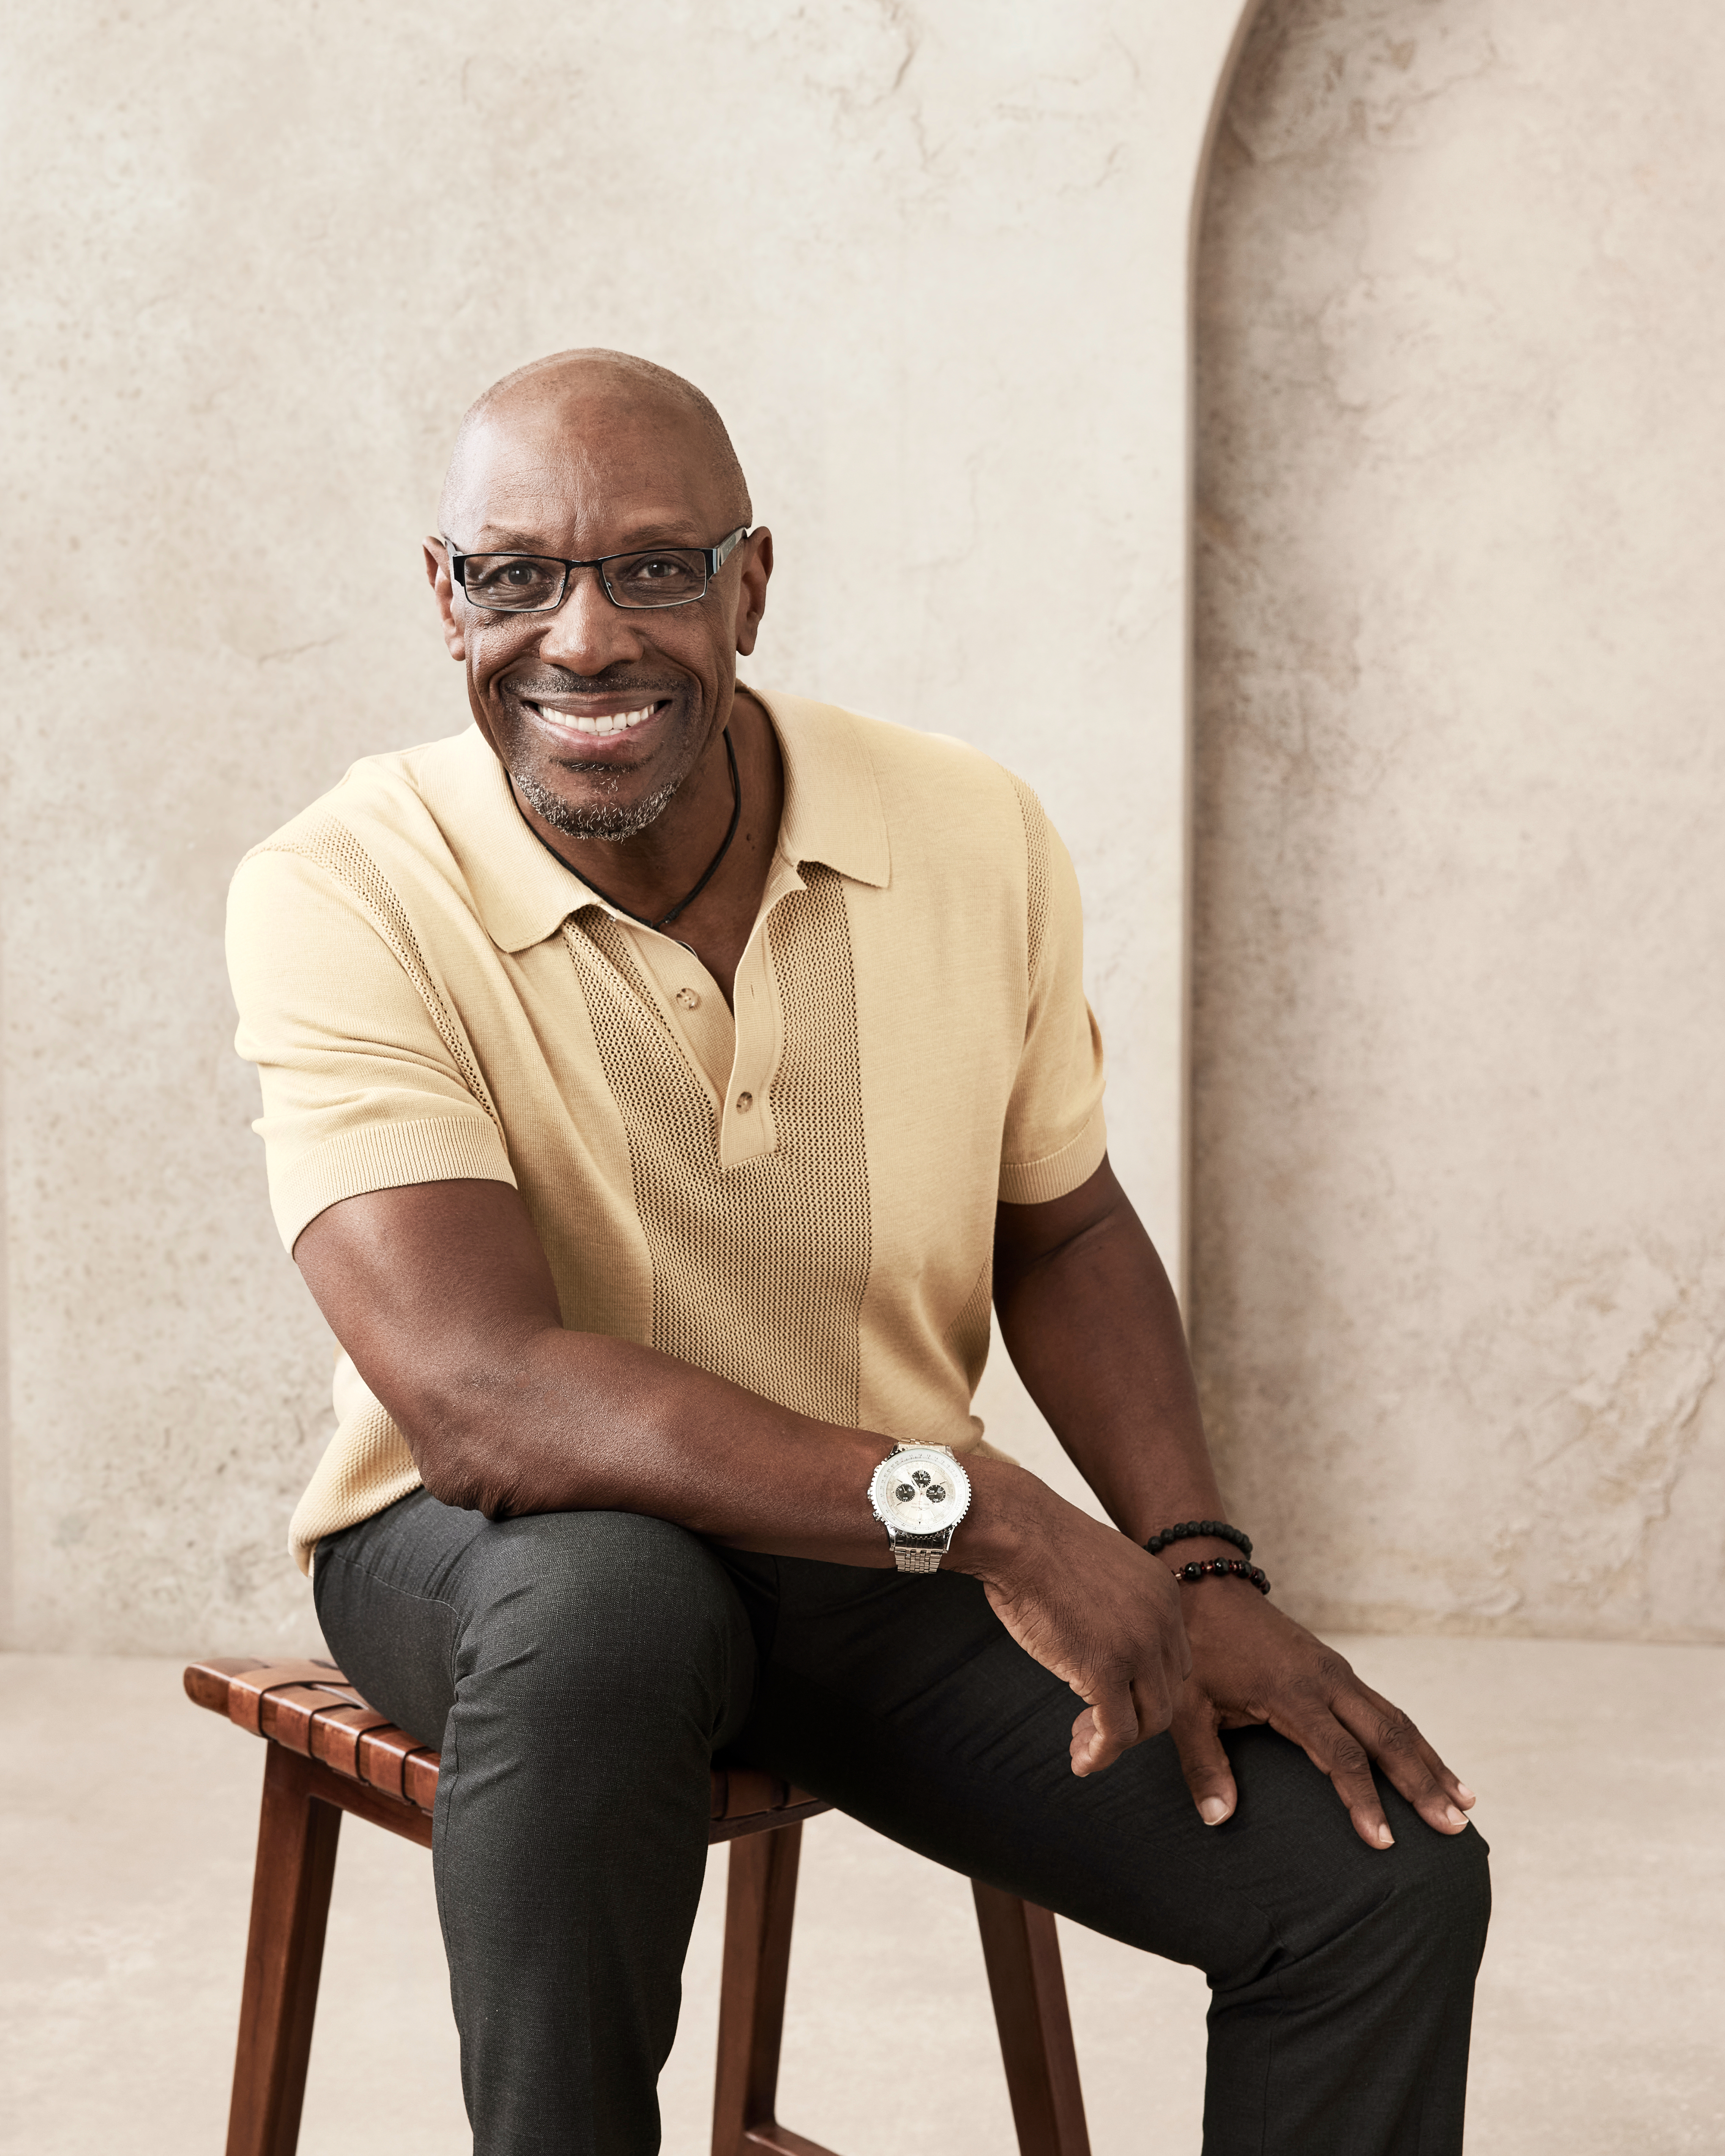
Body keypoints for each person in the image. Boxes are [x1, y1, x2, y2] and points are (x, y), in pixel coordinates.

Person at [226, 349, 1489, 2156]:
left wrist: (1197, 1559)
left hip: (856, 1547)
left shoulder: (967, 828)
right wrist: (993, 1510)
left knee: (1377, 1882)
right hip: (489, 1553)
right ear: (446, 600)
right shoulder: (342, 885)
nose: (582, 637)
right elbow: (483, 1400)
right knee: (610, 1604)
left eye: (655, 567)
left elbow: (1061, 1224)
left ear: (751, 579)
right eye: (517, 576)